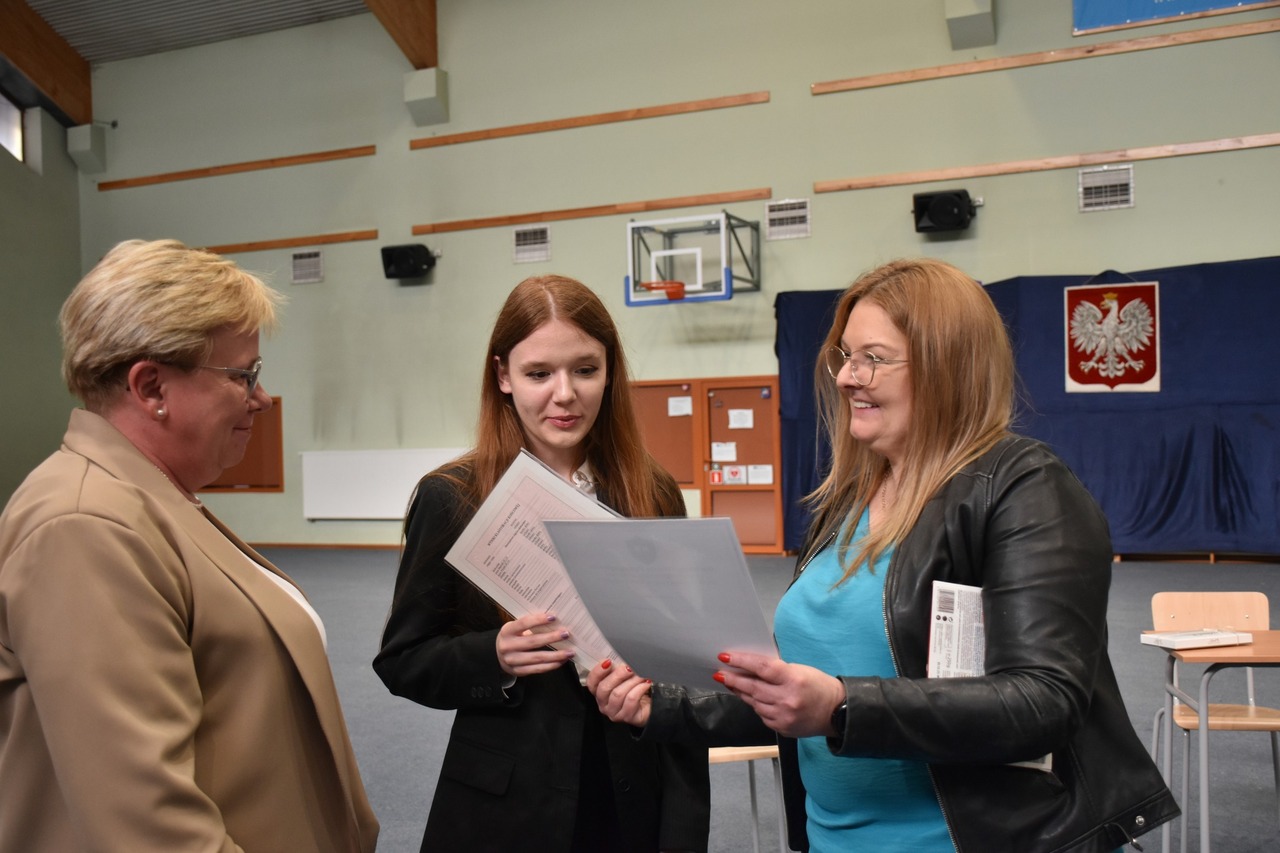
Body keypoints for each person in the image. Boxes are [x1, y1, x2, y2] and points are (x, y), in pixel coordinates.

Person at [589, 258, 1179, 852]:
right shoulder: (847, 502)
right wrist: (660, 706)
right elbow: (796, 694)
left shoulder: (1025, 489)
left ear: (947, 365)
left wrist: (843, 707)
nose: (848, 377)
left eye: (873, 357)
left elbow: (1042, 701)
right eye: (845, 356)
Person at [0, 239, 380, 852]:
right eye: (243, 375)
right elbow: (148, 824)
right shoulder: (85, 525)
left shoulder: (150, 499)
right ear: (151, 386)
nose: (261, 397)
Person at [373, 274, 710, 853]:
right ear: (503, 376)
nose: (565, 394)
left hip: (634, 776)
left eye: (585, 369)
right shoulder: (453, 496)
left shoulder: (651, 490)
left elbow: (680, 643)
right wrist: (494, 656)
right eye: (538, 374)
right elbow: (404, 661)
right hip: (513, 794)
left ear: (610, 371)